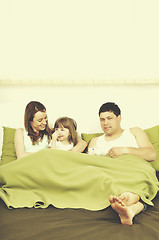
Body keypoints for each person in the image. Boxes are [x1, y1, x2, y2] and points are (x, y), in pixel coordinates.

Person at [88, 102, 156, 225]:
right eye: (102, 119)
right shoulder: (95, 141)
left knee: (141, 175)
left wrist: (125, 150)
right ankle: (130, 206)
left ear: (119, 118)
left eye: (109, 118)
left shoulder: (134, 132)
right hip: (110, 174)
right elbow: (90, 165)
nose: (105, 123)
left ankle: (127, 197)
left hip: (135, 168)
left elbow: (151, 155)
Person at [14, 101, 87, 159]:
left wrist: (69, 152)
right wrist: (46, 154)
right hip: (28, 164)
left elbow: (82, 143)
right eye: (40, 120)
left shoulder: (51, 131)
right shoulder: (20, 132)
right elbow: (21, 156)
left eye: (45, 118)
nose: (44, 122)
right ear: (30, 121)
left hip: (47, 164)